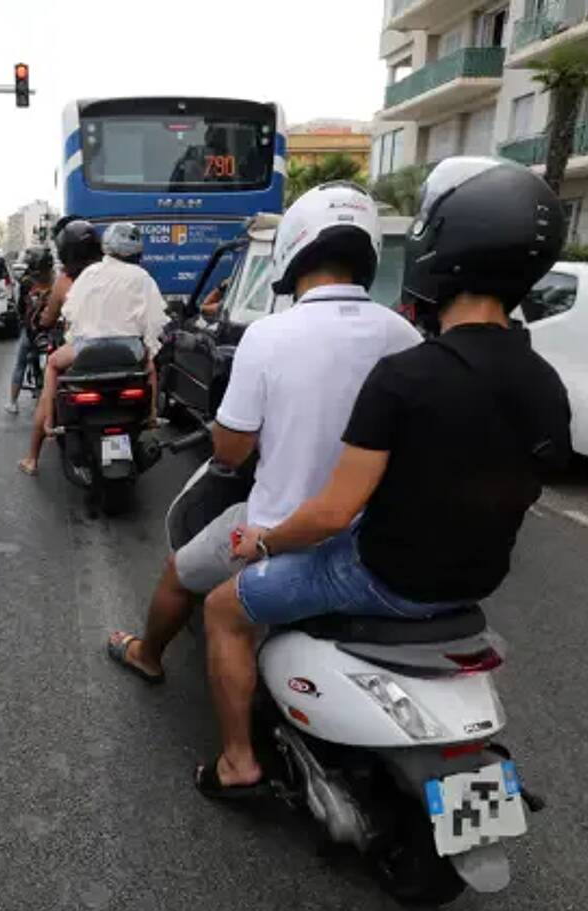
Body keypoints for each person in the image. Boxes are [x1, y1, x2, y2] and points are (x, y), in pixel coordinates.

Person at [196, 157, 573, 799]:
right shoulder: (546, 383)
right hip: (475, 580)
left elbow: (331, 515)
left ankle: (238, 762)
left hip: (381, 579)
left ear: (440, 252)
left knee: (222, 608)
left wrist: (259, 543)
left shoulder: (409, 375)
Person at [103, 183, 420, 696]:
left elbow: (231, 453)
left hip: (275, 527)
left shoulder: (268, 335)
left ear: (293, 250)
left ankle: (147, 655)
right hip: (370, 540)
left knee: (178, 574)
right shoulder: (405, 337)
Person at [18, 221, 168, 475]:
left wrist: (77, 335)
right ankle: (152, 415)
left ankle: (48, 428)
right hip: (129, 351)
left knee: (53, 365)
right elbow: (155, 320)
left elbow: (70, 313)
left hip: (87, 349)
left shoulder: (82, 276)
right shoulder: (142, 277)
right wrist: (147, 347)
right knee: (150, 365)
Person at [6, 245, 56, 414]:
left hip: (32, 332)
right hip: (52, 330)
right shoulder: (57, 281)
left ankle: (13, 402)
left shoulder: (26, 283)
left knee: (20, 364)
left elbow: (20, 307)